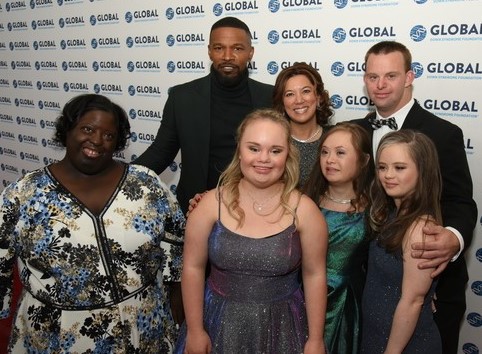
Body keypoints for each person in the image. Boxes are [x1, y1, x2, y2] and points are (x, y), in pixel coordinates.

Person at [0, 94, 185, 353]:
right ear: (67, 130)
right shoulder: (24, 193)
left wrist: (178, 309)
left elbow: (176, 244)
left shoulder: (146, 185)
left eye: (108, 135)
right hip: (58, 333)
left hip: (142, 326)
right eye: (87, 129)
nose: (97, 141)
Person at [351, 40, 477, 354]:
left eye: (390, 76)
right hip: (371, 284)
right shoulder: (352, 132)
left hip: (431, 282)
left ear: (409, 77)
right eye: (372, 76)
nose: (380, 85)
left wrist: (452, 238)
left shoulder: (443, 133)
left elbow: (461, 202)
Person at [175, 109, 328, 354]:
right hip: (215, 325)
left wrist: (316, 340)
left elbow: (315, 275)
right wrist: (195, 330)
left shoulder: (306, 211)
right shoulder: (209, 204)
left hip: (284, 329)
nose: (263, 159)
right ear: (239, 150)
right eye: (254, 148)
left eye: (275, 150)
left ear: (287, 154)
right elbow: (192, 268)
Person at [134, 16, 273, 214]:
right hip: (196, 207)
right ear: (209, 51)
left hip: (257, 208)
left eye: (237, 48)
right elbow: (160, 153)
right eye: (219, 48)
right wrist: (117, 178)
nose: (227, 56)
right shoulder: (181, 97)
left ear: (250, 53)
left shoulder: (271, 97)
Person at [361, 130, 443, 353]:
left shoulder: (419, 228)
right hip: (377, 336)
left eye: (399, 168)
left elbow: (413, 301)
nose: (388, 175)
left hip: (403, 345)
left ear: (422, 171)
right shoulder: (390, 214)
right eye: (382, 167)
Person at [303, 122, 372, 353]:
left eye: (340, 153)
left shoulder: (377, 209)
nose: (330, 160)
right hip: (303, 300)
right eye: (324, 152)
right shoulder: (304, 203)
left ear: (363, 161)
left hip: (348, 305)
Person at [272, 62, 333, 187]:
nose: (299, 100)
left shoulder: (334, 139)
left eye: (305, 91)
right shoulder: (274, 142)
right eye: (290, 94)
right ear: (282, 102)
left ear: (319, 97)